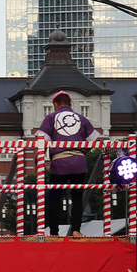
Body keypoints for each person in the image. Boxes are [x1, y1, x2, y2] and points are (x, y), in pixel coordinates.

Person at [35, 90, 101, 237]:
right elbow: (93, 140)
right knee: (77, 197)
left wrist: (38, 158)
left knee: (54, 198)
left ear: (55, 104)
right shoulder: (81, 118)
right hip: (79, 162)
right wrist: (82, 151)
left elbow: (42, 141)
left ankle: (54, 233)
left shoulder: (50, 117)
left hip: (59, 162)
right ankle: (77, 230)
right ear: (71, 104)